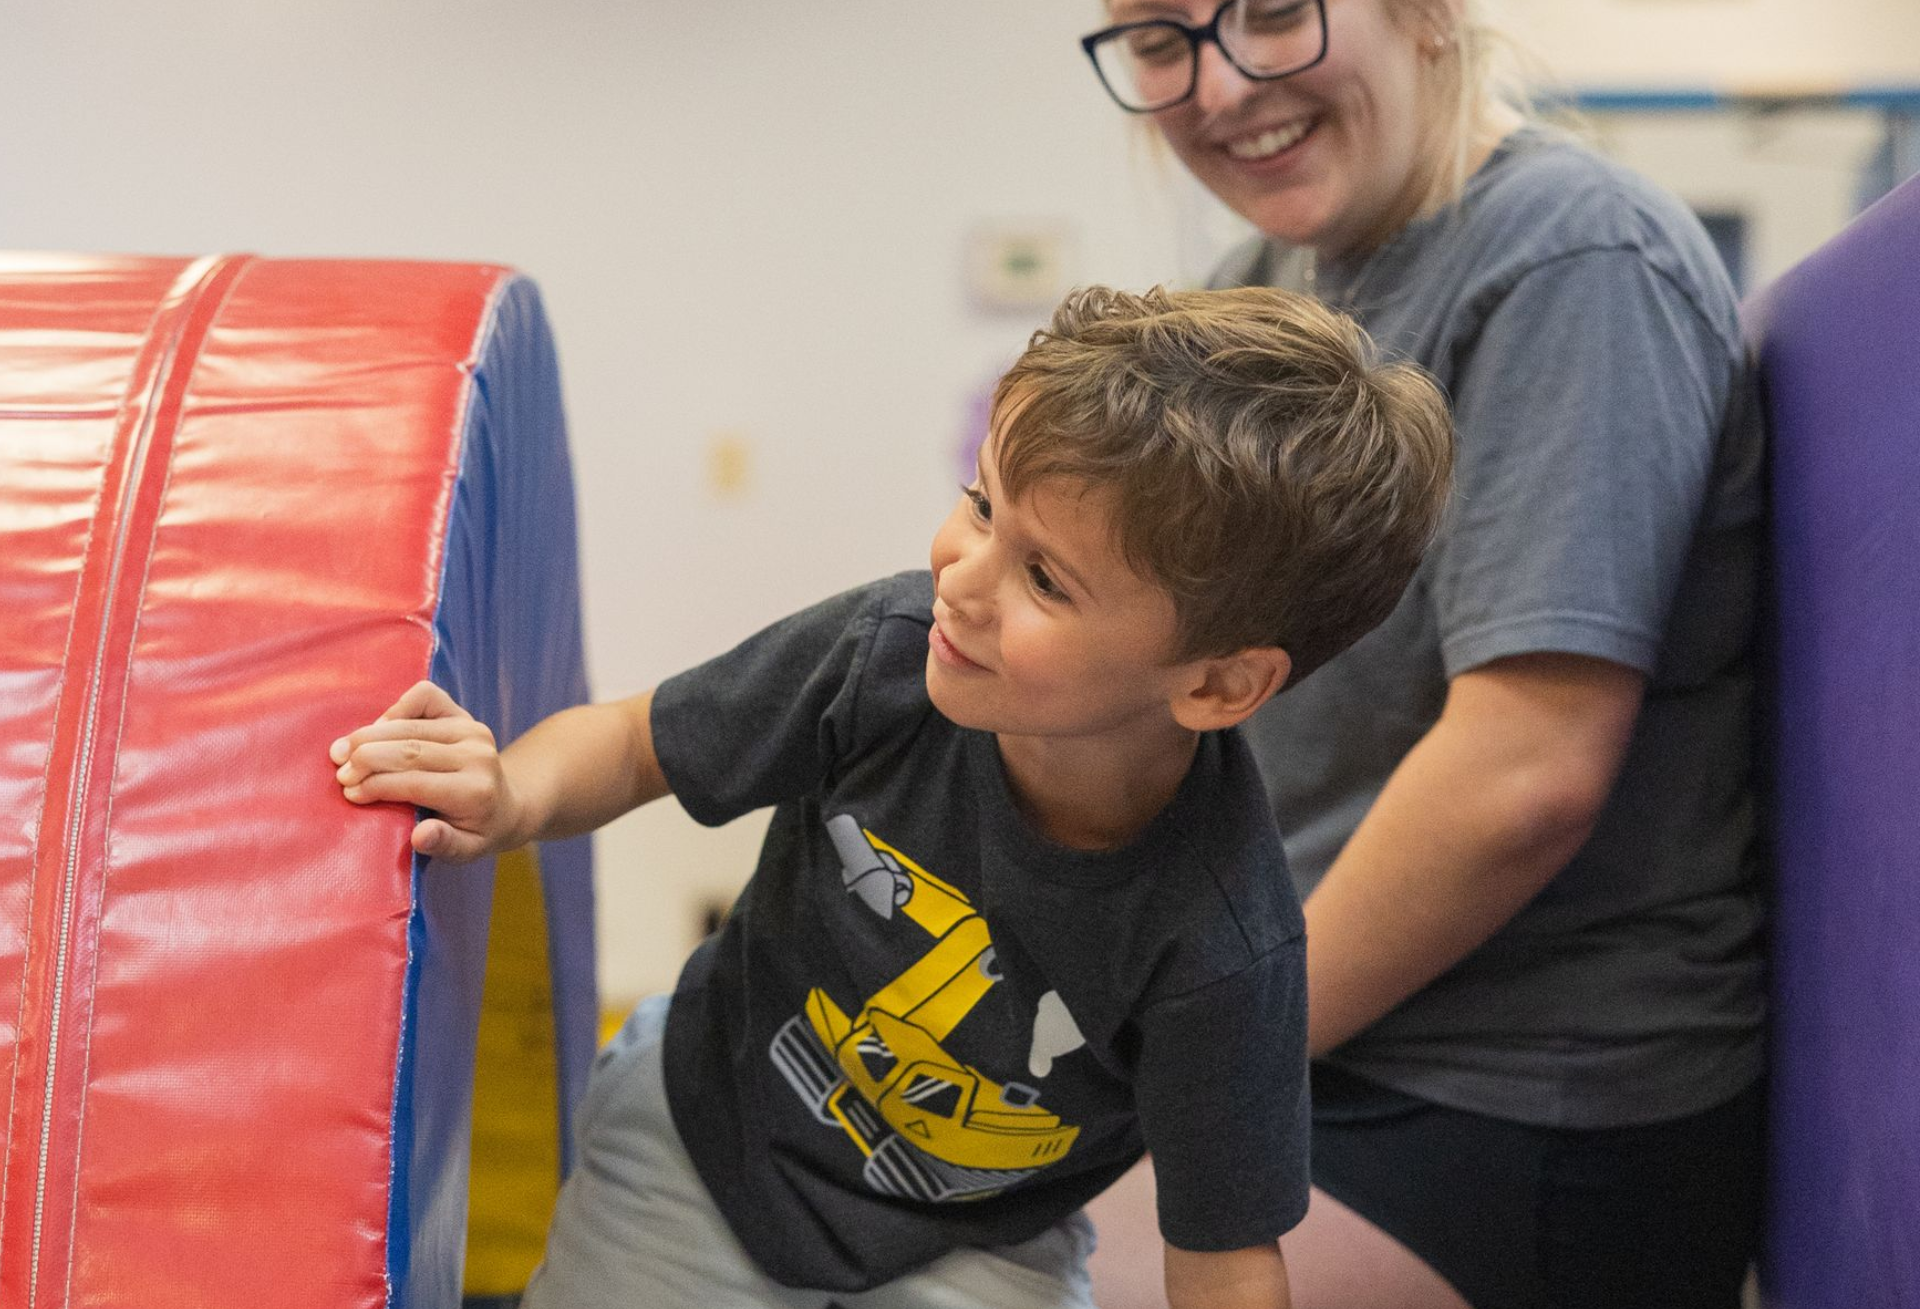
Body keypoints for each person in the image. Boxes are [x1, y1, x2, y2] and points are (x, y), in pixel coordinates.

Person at [329, 284, 1455, 1309]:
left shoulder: (1222, 941)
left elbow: (1225, 1254)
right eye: (981, 507)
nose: (961, 580)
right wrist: (512, 791)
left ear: (1215, 682)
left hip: (974, 1240)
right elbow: (635, 742)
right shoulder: (887, 655)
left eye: (1046, 578)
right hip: (706, 1137)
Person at [1077, 3, 1767, 1309]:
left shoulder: (1576, 256)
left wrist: (1188, 1069)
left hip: (1525, 1101)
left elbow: (1526, 775)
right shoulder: (1264, 299)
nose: (1221, 89)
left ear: (1428, 17)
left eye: (1274, 14)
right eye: (1164, 42)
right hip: (1326, 1058)